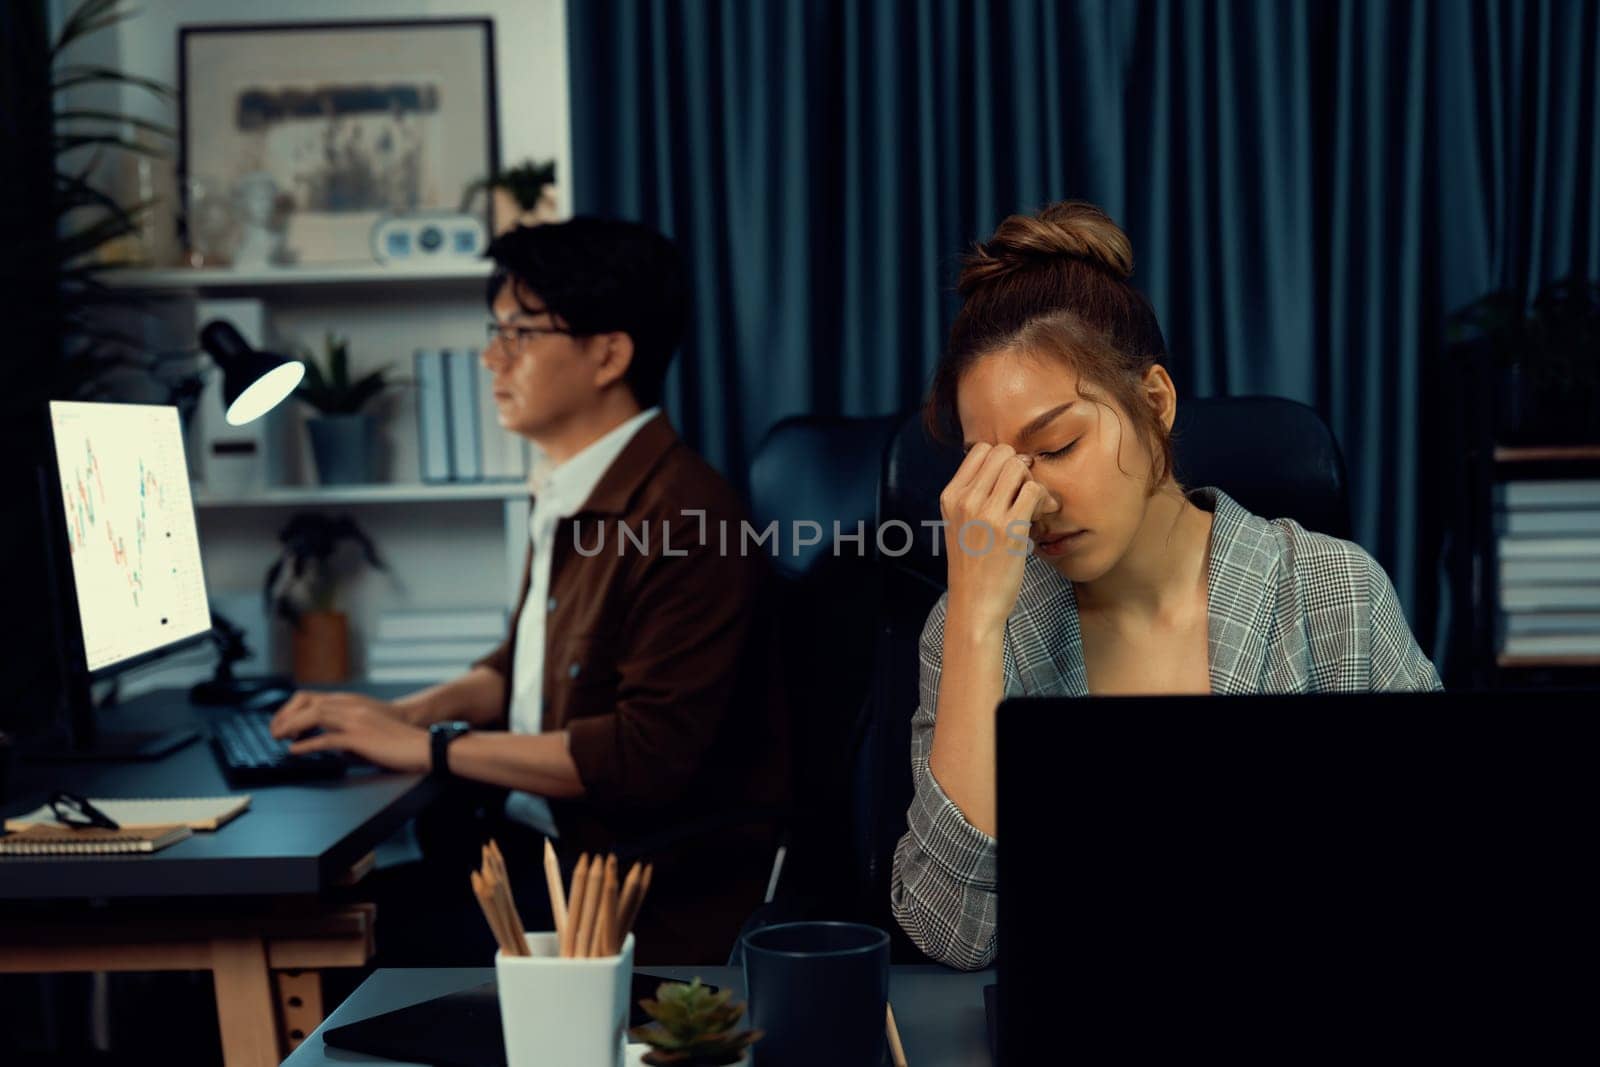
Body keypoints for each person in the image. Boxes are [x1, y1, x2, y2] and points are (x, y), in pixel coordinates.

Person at [890, 201, 1442, 970]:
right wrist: (977, 623)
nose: (1031, 498)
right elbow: (953, 933)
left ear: (1154, 403)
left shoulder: (1332, 595)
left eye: (1057, 446)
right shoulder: (979, 626)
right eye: (995, 468)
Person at [271, 218, 789, 964]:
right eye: (496, 331)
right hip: (539, 858)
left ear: (609, 353)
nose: (491, 357)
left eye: (520, 333)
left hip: (619, 899)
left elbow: (639, 758)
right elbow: (524, 666)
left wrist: (429, 746)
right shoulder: (573, 488)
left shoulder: (684, 519)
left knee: (322, 934)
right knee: (330, 906)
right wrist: (401, 712)